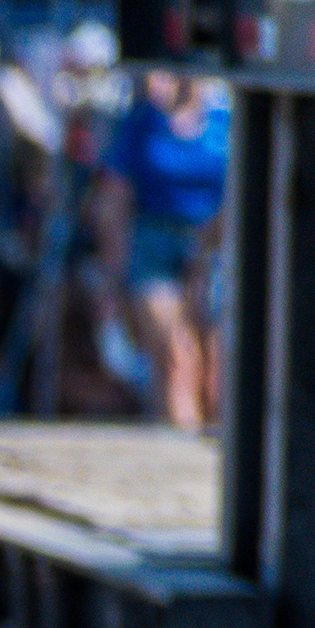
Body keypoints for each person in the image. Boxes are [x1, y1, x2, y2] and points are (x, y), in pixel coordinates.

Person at [95, 68, 228, 430]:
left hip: (213, 244)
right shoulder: (141, 123)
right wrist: (113, 276)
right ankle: (177, 446)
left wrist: (208, 249)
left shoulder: (226, 121)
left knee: (216, 366)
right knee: (174, 354)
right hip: (154, 242)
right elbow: (114, 201)